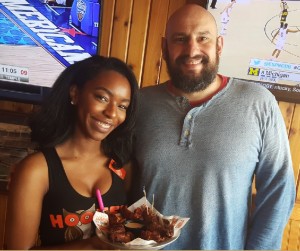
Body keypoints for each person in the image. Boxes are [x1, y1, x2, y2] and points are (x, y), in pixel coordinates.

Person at [129, 4, 296, 250]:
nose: (192, 49)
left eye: (202, 38)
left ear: (219, 45)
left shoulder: (258, 103)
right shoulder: (139, 104)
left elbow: (278, 191)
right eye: (180, 39)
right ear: (165, 47)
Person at [5, 55, 139, 249]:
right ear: (75, 94)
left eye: (122, 106)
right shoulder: (37, 170)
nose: (111, 113)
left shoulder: (122, 165)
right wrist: (92, 246)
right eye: (102, 97)